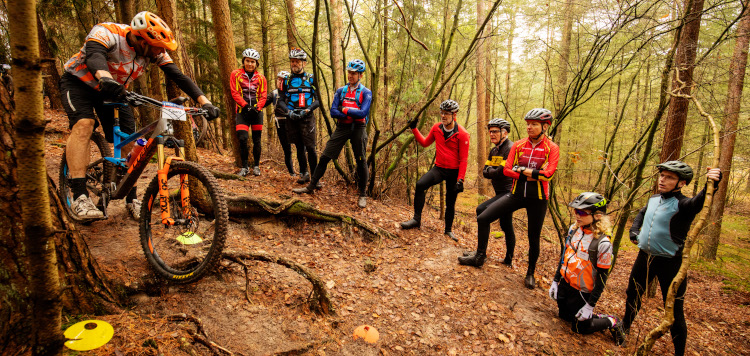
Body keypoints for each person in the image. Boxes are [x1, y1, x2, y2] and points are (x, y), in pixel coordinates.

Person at [60, 11, 220, 220]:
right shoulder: (108, 32)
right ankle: (80, 196)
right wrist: (105, 78)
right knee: (84, 124)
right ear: (142, 40)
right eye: (157, 47)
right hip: (79, 82)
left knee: (131, 140)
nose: (160, 52)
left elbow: (179, 76)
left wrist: (205, 102)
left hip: (115, 90)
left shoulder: (155, 52)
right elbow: (94, 56)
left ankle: (131, 198)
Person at [622, 161, 721, 354]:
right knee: (632, 294)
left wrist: (713, 183)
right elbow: (642, 213)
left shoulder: (684, 204)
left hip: (671, 264)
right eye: (662, 175)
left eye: (669, 177)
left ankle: (679, 353)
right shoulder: (653, 199)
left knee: (675, 311)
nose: (662, 179)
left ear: (682, 183)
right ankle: (624, 329)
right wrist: (634, 230)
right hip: (645, 258)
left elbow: (699, 201)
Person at [467, 108, 559, 288]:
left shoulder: (552, 148)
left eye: (534, 124)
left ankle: (530, 273)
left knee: (534, 237)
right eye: (528, 124)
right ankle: (479, 256)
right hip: (516, 194)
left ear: (545, 127)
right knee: (483, 217)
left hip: (538, 198)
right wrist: (532, 174)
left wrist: (521, 170)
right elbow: (508, 170)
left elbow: (548, 174)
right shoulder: (518, 145)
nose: (529, 128)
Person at [548, 192, 626, 345]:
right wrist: (556, 281)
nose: (577, 215)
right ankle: (590, 315)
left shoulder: (602, 243)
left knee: (579, 328)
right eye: (576, 211)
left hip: (583, 291)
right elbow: (564, 256)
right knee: (564, 317)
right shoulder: (574, 230)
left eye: (582, 212)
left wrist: (590, 305)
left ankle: (612, 321)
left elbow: (602, 278)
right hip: (566, 283)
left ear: (597, 215)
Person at [292, 59, 372, 208]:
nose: (350, 76)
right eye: (349, 73)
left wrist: (345, 110)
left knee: (361, 161)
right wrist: (349, 114)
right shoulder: (341, 91)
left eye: (354, 73)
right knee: (325, 157)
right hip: (342, 128)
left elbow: (363, 112)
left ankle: (362, 194)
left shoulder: (366, 93)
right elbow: (333, 111)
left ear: (360, 75)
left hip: (359, 128)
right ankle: (311, 187)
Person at [399, 99, 470, 242]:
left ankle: (448, 230)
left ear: (454, 115)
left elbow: (463, 159)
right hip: (439, 168)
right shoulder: (437, 128)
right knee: (420, 185)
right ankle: (416, 220)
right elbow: (425, 143)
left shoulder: (462, 134)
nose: (443, 116)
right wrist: (414, 129)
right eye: (442, 113)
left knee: (451, 201)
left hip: (454, 172)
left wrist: (460, 179)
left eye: (447, 114)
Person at [458, 118, 515, 266]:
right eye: (490, 131)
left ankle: (480, 255)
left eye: (495, 131)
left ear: (505, 132)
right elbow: (485, 172)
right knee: (505, 224)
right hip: (500, 193)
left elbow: (500, 173)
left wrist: (493, 171)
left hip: (509, 193)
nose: (491, 134)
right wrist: (492, 171)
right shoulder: (494, 150)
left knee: (481, 210)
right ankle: (506, 259)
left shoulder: (510, 148)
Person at [279, 48, 320, 185]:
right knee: (299, 147)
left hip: (307, 117)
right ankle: (304, 173)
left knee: (311, 147)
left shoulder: (311, 79)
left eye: (297, 61)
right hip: (291, 117)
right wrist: (289, 112)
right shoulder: (286, 80)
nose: (294, 64)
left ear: (304, 63)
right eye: (292, 61)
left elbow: (318, 100)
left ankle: (315, 177)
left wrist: (308, 110)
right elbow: (280, 100)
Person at [230, 48, 268, 177]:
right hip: (242, 111)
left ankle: (256, 166)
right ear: (243, 61)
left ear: (256, 63)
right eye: (247, 61)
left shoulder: (261, 78)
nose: (250, 64)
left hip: (257, 113)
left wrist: (257, 108)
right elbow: (234, 92)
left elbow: (264, 95)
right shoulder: (236, 74)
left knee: (257, 140)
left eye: (252, 61)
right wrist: (245, 106)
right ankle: (244, 167)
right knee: (242, 138)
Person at [264, 70, 299, 176]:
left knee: (300, 147)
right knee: (287, 149)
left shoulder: (293, 92)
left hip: (293, 123)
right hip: (280, 124)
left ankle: (303, 171)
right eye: (278, 79)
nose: (279, 82)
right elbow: (263, 102)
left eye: (282, 80)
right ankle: (291, 173)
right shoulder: (274, 93)